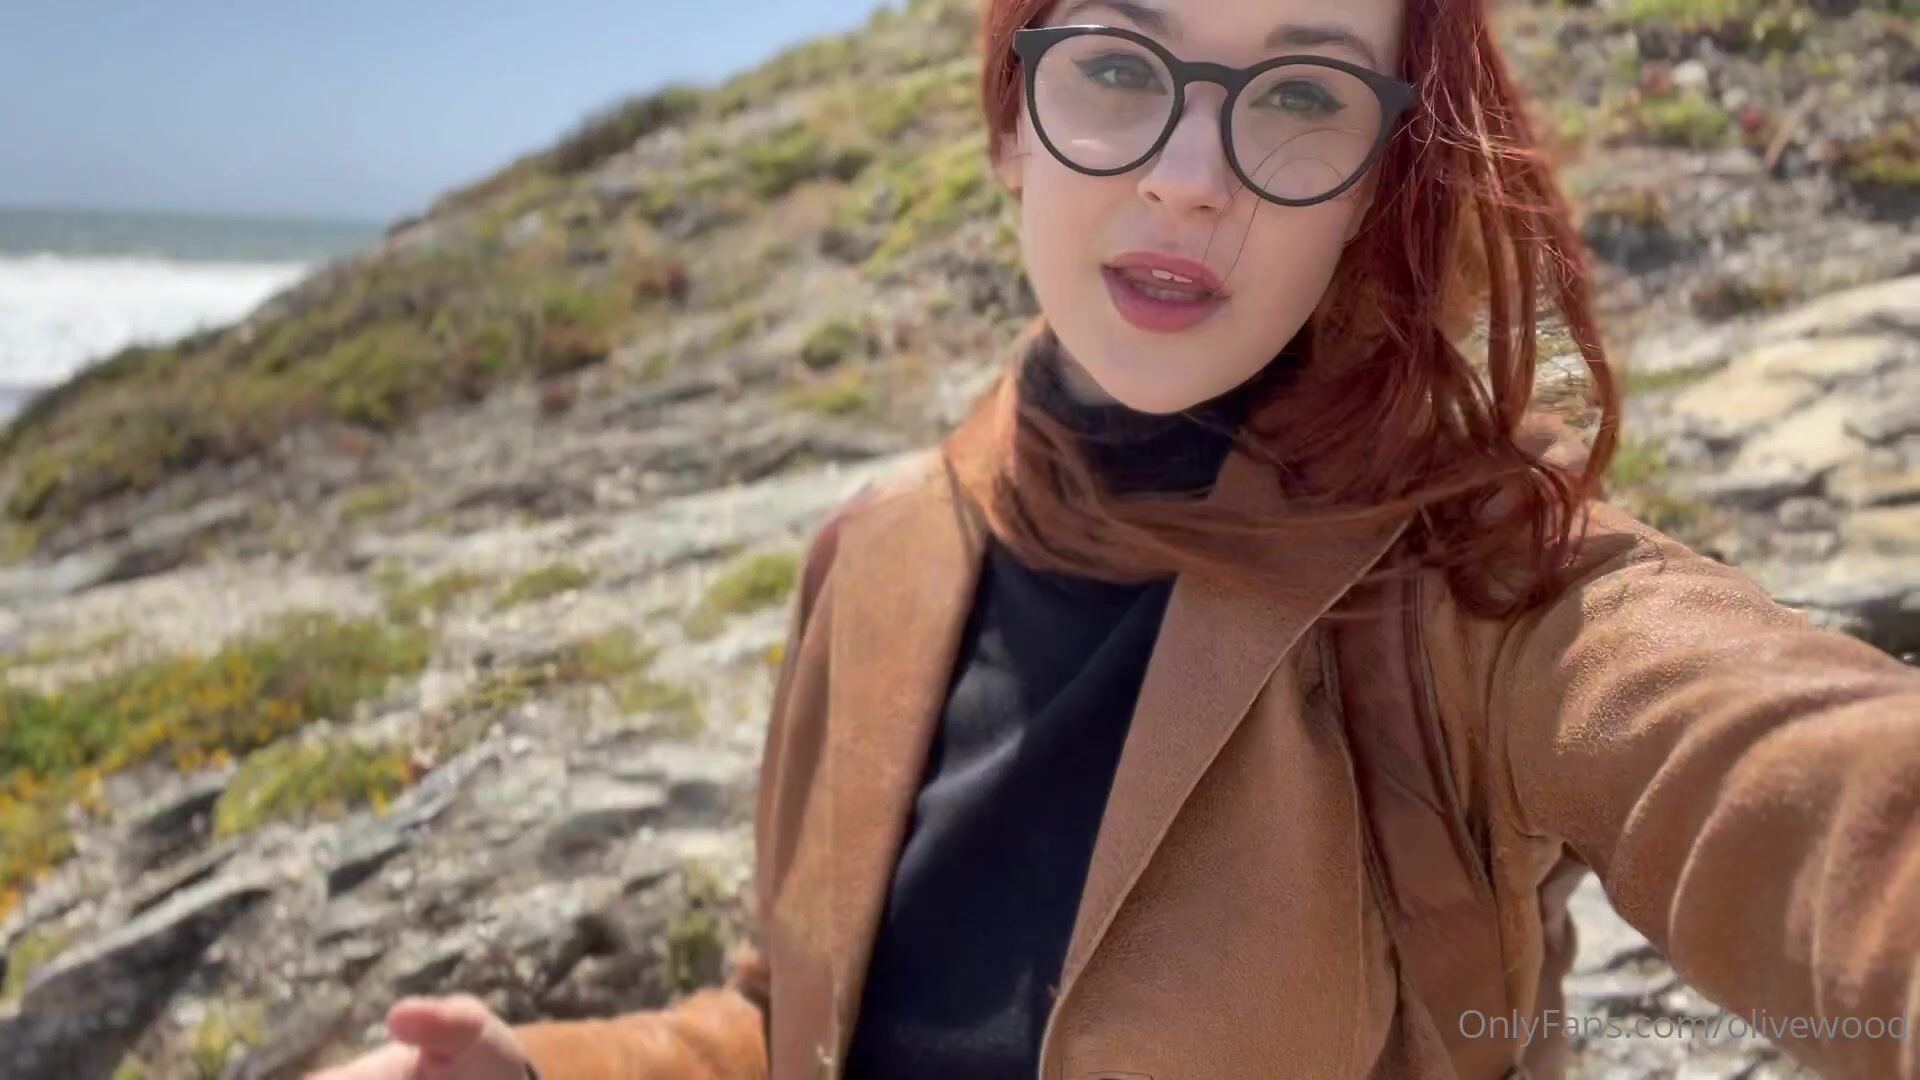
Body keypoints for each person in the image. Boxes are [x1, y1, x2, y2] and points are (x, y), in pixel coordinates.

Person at [308, 0, 1920, 1077]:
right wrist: (540, 1069)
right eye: (1119, 66)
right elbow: (793, 1022)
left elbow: (1812, 786)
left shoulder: (1473, 588)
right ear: (1011, 119)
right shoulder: (875, 559)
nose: (1189, 175)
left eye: (1302, 94)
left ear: (1376, 182)